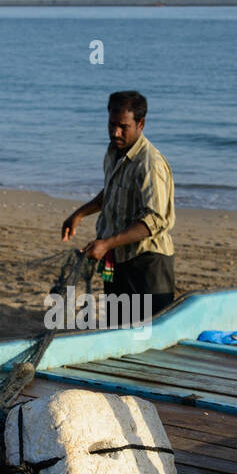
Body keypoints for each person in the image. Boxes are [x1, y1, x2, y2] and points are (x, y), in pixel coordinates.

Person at [61, 90, 176, 323]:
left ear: (140, 124)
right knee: (118, 327)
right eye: (112, 124)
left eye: (123, 126)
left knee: (149, 332)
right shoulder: (113, 152)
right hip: (116, 260)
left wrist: (106, 243)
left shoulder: (149, 163)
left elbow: (154, 220)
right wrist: (79, 214)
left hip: (147, 263)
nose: (115, 132)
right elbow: (112, 192)